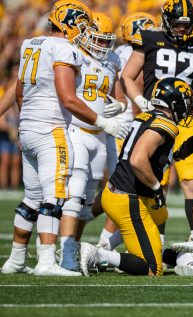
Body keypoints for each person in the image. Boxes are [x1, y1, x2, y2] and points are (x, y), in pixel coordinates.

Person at [1, 0, 125, 276]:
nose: (84, 32)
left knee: (31, 198)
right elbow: (68, 98)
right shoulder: (64, 49)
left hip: (29, 127)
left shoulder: (31, 44)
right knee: (56, 196)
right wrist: (103, 121)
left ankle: (16, 259)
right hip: (52, 129)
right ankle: (46, 262)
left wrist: (26, 124)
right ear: (69, 24)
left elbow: (19, 92)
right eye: (81, 25)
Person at [120, 0, 193, 236]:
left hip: (185, 121)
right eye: (177, 23)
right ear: (167, 21)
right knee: (159, 185)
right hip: (157, 119)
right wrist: (139, 101)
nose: (182, 28)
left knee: (192, 184)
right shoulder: (149, 40)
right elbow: (127, 76)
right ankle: (155, 239)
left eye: (186, 24)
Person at [79, 77, 193, 276]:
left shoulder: (146, 116)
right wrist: (156, 187)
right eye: (186, 103)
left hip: (116, 191)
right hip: (128, 198)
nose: (188, 109)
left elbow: (149, 158)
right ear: (174, 102)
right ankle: (99, 254)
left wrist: (175, 157)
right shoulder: (167, 125)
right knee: (153, 268)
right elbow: (137, 160)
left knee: (161, 213)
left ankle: (108, 245)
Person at [57, 11, 128, 271]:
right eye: (97, 39)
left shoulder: (111, 60)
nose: (102, 45)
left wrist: (119, 107)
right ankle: (63, 253)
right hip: (76, 131)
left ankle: (72, 249)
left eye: (106, 40)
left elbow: (121, 97)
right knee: (73, 196)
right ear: (85, 35)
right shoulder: (72, 55)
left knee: (87, 202)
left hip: (99, 137)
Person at [97, 12, 159, 254]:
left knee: (115, 189)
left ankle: (92, 233)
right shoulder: (138, 53)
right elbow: (135, 86)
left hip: (110, 124)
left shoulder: (117, 52)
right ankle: (103, 246)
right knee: (126, 190)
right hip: (127, 126)